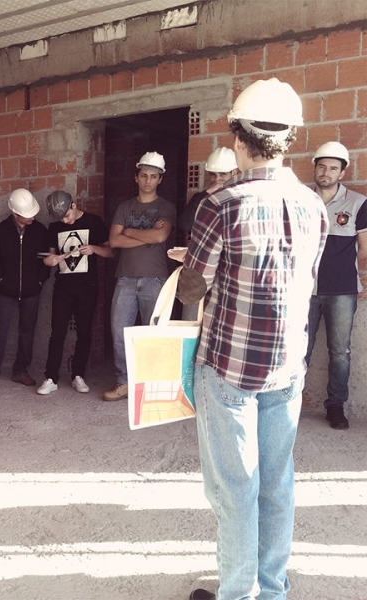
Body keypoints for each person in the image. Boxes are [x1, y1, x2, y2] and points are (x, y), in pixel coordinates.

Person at [174, 78, 328, 600]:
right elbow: (301, 278)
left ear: (239, 139)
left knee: (236, 487)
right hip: (287, 365)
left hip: (229, 368)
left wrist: (194, 262)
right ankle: (273, 589)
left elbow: (192, 288)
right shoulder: (313, 205)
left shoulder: (220, 203)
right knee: (277, 483)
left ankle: (238, 593)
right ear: (289, 139)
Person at [103, 152, 176, 401]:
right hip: (125, 278)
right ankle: (124, 382)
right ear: (136, 177)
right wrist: (146, 235)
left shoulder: (166, 207)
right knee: (119, 333)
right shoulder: (125, 207)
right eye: (144, 175)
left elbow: (160, 236)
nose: (148, 181)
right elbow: (114, 240)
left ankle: (152, 386)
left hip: (155, 278)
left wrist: (129, 232)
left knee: (154, 334)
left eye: (153, 176)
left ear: (160, 179)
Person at [305, 141, 367, 430]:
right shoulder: (302, 199)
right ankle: (288, 401)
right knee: (298, 349)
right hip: (304, 288)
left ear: (342, 172)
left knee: (340, 352)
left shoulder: (358, 203)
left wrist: (344, 269)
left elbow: (364, 249)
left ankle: (335, 406)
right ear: (315, 168)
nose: (326, 172)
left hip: (342, 290)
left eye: (333, 168)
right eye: (322, 166)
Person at [37, 191, 113, 395]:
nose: (65, 221)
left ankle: (78, 375)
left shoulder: (94, 222)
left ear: (73, 205)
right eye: (60, 218)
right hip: (62, 287)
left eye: (67, 216)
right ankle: (51, 378)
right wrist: (50, 261)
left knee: (84, 332)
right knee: (57, 333)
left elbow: (111, 252)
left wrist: (94, 249)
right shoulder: (54, 227)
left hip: (88, 287)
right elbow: (48, 257)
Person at [0, 189, 50, 388]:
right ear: (15, 214)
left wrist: (39, 281)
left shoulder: (40, 231)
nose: (33, 217)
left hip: (31, 292)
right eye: (28, 214)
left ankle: (20, 371)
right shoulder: (0, 231)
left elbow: (46, 259)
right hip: (5, 292)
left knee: (27, 332)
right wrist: (1, 279)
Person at [174, 148, 238, 319]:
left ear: (234, 173)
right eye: (213, 175)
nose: (217, 179)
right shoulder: (203, 199)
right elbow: (185, 223)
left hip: (226, 274)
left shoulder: (239, 201)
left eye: (222, 175)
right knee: (191, 322)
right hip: (199, 271)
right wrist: (206, 195)